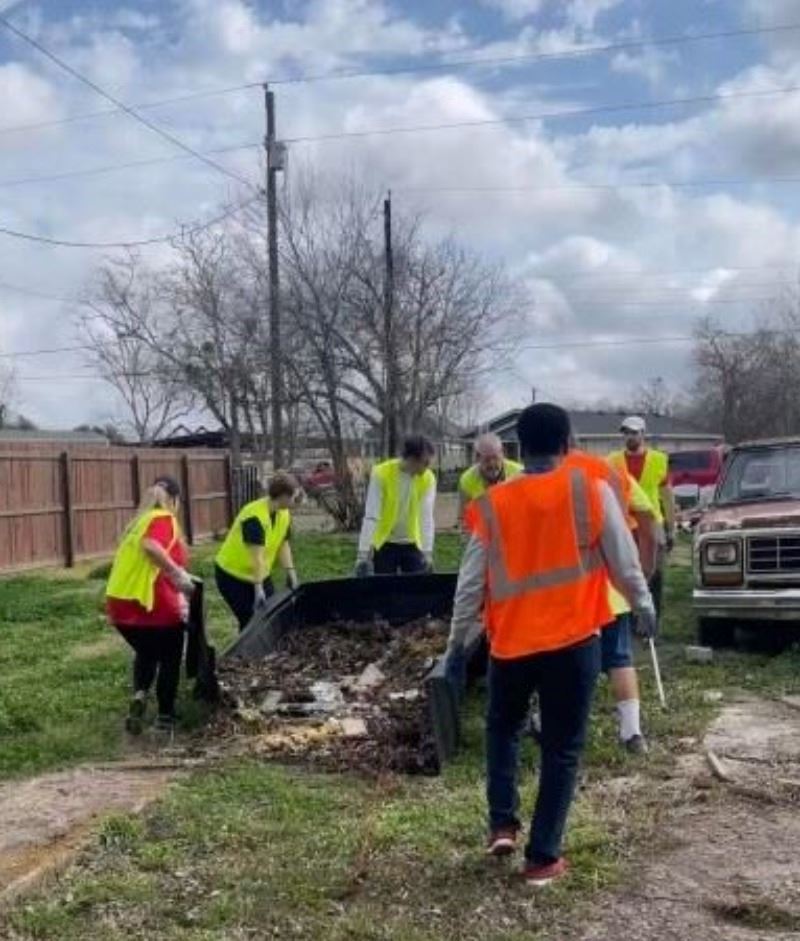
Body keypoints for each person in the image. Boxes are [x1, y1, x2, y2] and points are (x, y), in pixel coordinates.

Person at [445, 404, 655, 887]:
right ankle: (542, 859)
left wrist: (457, 643)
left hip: (511, 645)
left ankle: (502, 823)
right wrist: (643, 605)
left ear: (519, 445)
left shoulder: (494, 504)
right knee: (561, 749)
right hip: (574, 641)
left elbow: (470, 584)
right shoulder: (590, 490)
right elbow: (623, 561)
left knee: (503, 729)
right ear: (567, 443)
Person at [566, 450, 659, 754]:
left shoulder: (552, 477)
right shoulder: (615, 475)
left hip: (570, 591)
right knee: (619, 658)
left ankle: (557, 726)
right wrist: (645, 567)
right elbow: (648, 518)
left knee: (568, 663)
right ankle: (632, 734)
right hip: (614, 587)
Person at [106, 476, 195, 735]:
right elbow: (151, 547)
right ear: (176, 500)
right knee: (169, 655)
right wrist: (177, 574)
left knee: (147, 652)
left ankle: (140, 694)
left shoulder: (138, 522)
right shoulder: (162, 518)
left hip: (120, 604)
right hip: (148, 602)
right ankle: (165, 716)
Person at [609, 417, 675, 626]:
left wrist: (671, 528)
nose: (630, 436)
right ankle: (628, 619)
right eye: (626, 432)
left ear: (643, 434)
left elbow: (667, 496)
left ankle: (651, 623)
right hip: (625, 525)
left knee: (654, 574)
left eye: (634, 432)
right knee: (626, 572)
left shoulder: (659, 460)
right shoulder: (612, 461)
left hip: (652, 524)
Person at [215, 472, 299, 632]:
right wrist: (258, 589)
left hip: (259, 573)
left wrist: (291, 573)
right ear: (282, 496)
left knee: (272, 615)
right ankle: (245, 656)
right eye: (293, 497)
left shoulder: (284, 514)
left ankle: (268, 654)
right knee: (250, 622)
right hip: (232, 576)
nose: (296, 501)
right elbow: (257, 558)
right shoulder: (254, 516)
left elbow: (283, 544)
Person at [355, 435, 437, 576]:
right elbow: (371, 515)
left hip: (413, 544)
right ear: (412, 458)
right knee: (385, 592)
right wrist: (362, 555)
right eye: (425, 462)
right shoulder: (381, 473)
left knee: (415, 593)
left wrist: (427, 552)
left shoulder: (428, 478)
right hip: (385, 543)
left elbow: (426, 517)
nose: (428, 467)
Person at [458, 433, 523, 520]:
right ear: (477, 457)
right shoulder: (467, 479)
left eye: (495, 458)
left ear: (502, 453)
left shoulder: (519, 473)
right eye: (487, 459)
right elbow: (463, 517)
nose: (492, 464)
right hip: (483, 528)